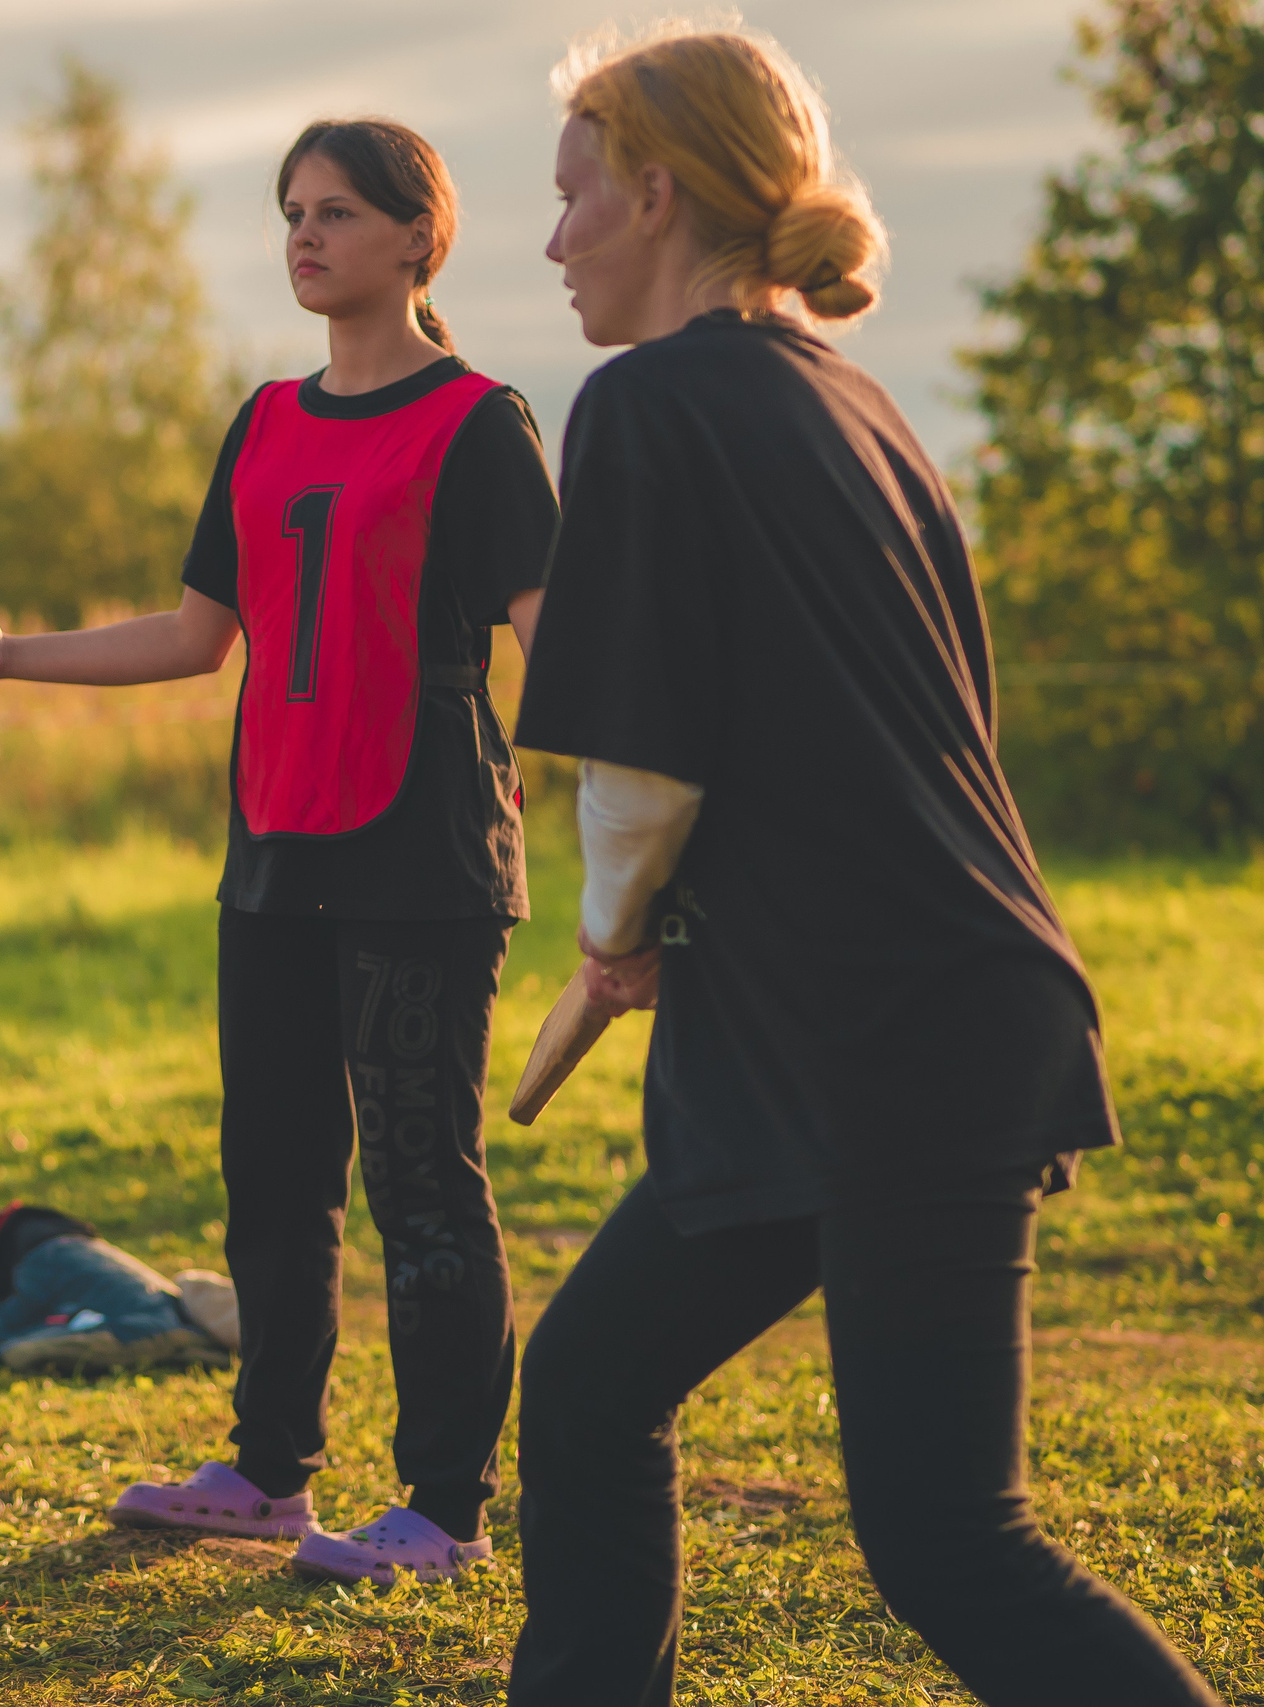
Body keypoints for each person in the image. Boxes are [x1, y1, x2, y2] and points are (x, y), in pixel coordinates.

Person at [506, 24, 1220, 1705]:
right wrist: (678, 919)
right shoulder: (855, 400)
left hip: (897, 1031)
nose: (552, 243)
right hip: (855, 1021)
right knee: (597, 1385)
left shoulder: (648, 404)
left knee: (949, 1538)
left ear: (659, 192)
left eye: (574, 197)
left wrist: (617, 922)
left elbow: (647, 763)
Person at [0, 117, 558, 1588]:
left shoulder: (481, 420)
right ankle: (266, 1474)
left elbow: (546, 637)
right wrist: (5, 660)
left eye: (336, 213)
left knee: (423, 1182)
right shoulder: (263, 418)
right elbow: (198, 637)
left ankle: (445, 1505)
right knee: (273, 1175)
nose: (304, 236)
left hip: (421, 849)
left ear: (416, 238)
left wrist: (662, 795)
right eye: (291, 212)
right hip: (274, 847)